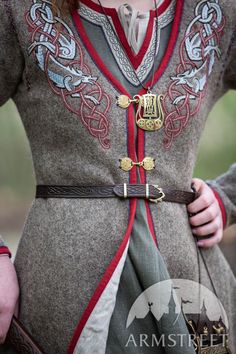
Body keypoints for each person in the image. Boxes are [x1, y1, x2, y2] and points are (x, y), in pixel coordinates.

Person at [0, 0, 235, 353]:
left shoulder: (217, 11)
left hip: (192, 291)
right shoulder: (20, 9)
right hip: (59, 292)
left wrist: (226, 196)